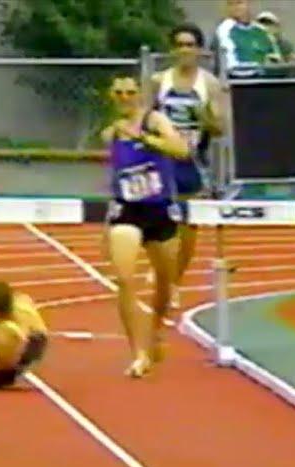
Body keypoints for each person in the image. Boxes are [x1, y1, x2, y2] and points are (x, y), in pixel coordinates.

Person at [101, 76, 190, 378]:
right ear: (111, 97)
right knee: (124, 279)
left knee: (164, 285)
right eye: (119, 93)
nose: (125, 97)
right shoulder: (110, 134)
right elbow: (115, 176)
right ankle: (138, 353)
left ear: (140, 95)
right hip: (127, 210)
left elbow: (181, 150)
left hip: (160, 209)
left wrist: (145, 139)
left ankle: (155, 331)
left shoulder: (156, 120)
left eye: (130, 92)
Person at [150, 24, 225, 308]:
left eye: (190, 44)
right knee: (162, 225)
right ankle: (163, 275)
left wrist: (203, 116)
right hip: (161, 159)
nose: (185, 50)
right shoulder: (159, 81)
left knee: (189, 229)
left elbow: (220, 129)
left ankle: (174, 281)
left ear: (199, 50)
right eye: (180, 44)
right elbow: (144, 117)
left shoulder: (209, 84)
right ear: (172, 49)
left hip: (193, 161)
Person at [211, 0, 277, 78]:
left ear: (250, 4)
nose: (235, 7)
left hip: (265, 80)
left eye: (239, 3)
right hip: (238, 82)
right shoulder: (224, 30)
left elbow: (274, 59)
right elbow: (231, 67)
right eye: (230, 4)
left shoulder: (262, 31)